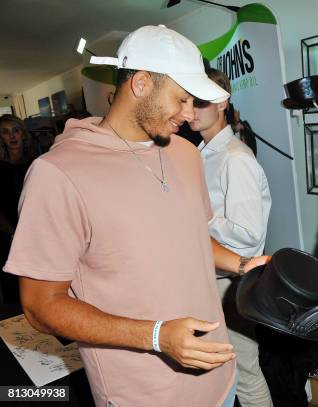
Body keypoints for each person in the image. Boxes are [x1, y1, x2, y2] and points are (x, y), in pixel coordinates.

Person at [3, 25, 270, 407]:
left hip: (220, 377)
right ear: (141, 83)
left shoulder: (185, 153)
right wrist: (157, 336)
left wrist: (242, 264)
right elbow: (39, 305)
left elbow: (191, 235)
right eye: (181, 100)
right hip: (143, 393)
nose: (189, 113)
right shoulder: (58, 172)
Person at [189, 68, 273, 407]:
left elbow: (249, 235)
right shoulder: (200, 152)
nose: (189, 110)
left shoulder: (235, 158)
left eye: (198, 101)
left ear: (222, 102)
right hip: (210, 278)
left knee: (247, 373)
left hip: (231, 282)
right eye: (185, 100)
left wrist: (198, 217)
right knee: (221, 371)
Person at [0, 114, 36, 304]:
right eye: (5, 132)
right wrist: (12, 233)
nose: (12, 136)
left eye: (16, 130)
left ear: (23, 134)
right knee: (13, 289)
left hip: (35, 233)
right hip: (7, 235)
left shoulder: (37, 162)